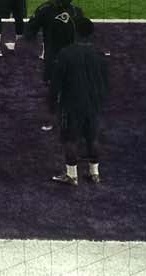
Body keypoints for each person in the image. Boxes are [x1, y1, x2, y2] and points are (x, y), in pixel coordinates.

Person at [49, 20, 108, 187]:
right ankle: (94, 173)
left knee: (70, 139)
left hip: (72, 104)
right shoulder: (99, 53)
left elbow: (56, 82)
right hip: (93, 103)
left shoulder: (66, 53)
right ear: (92, 33)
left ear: (76, 32)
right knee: (92, 138)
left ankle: (71, 175)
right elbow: (105, 81)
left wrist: (52, 103)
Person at [25, 0, 90, 132]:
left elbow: (85, 34)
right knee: (53, 89)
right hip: (53, 56)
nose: (70, 0)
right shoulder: (45, 9)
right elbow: (31, 29)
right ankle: (52, 118)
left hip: (72, 57)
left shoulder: (76, 12)